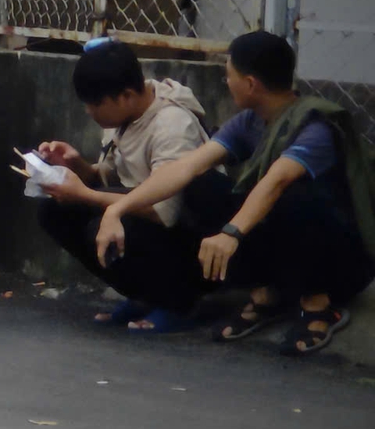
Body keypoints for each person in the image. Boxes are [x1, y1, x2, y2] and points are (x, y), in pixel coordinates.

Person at [81, 30, 375, 355]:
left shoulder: (313, 127)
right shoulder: (249, 122)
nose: (226, 81)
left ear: (250, 84)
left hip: (342, 262)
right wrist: (117, 210)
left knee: (295, 197)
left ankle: (319, 304)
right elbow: (185, 168)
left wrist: (231, 233)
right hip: (287, 246)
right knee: (201, 185)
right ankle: (268, 294)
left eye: (228, 74)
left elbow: (275, 181)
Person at [34, 40, 211, 332]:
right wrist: (77, 165)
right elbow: (115, 180)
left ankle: (178, 301)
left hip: (187, 234)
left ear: (126, 96)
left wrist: (84, 194)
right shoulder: (127, 115)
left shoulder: (172, 125)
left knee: (102, 225)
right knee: (54, 211)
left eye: (95, 104)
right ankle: (144, 296)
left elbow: (164, 209)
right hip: (144, 219)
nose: (90, 112)